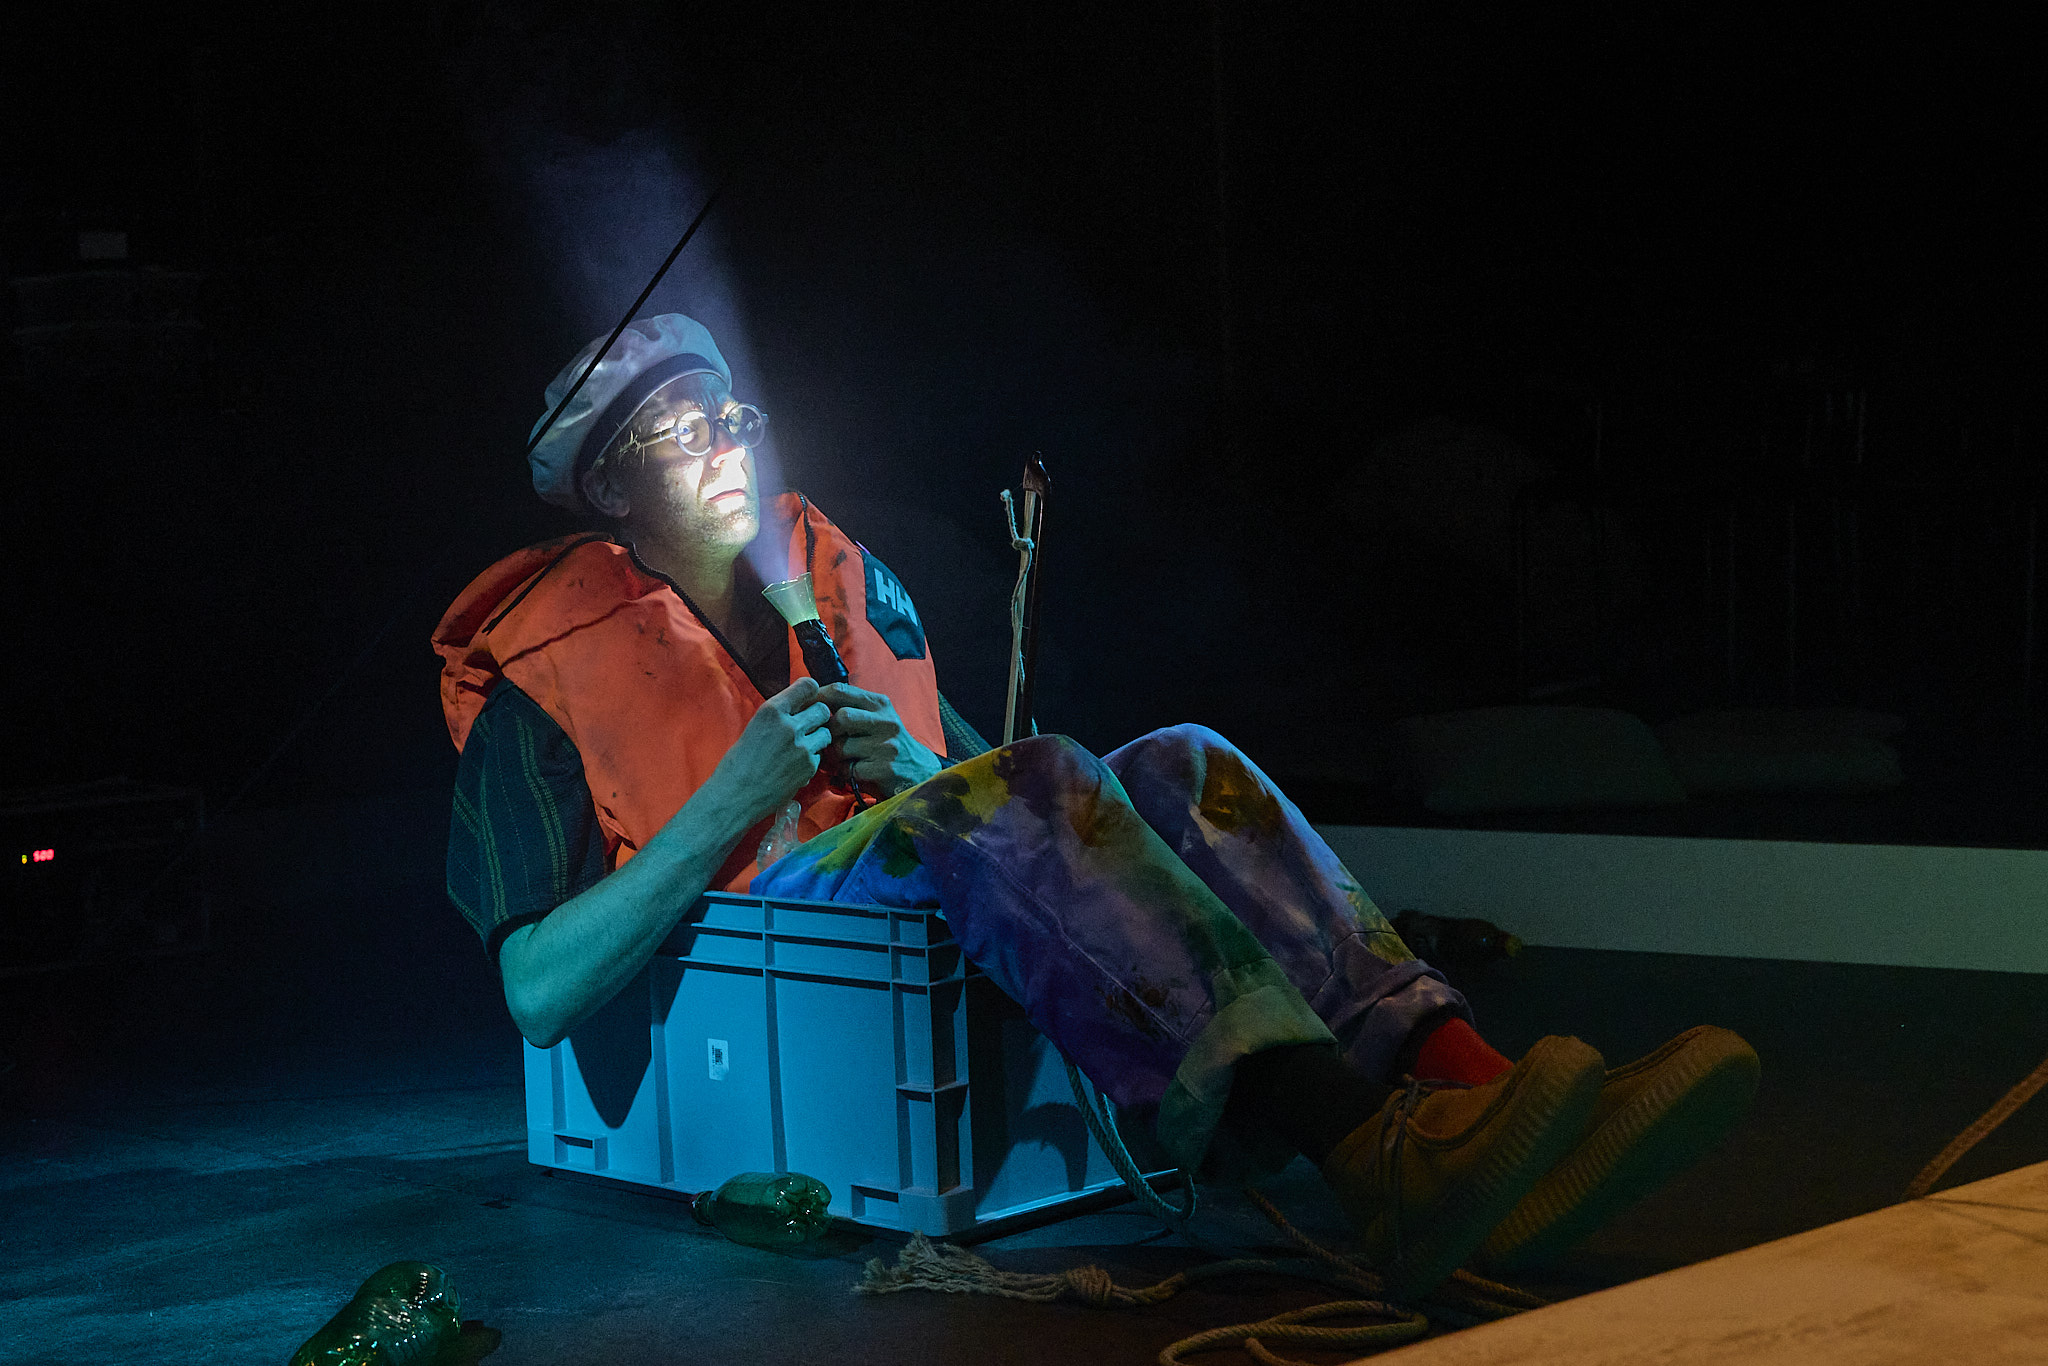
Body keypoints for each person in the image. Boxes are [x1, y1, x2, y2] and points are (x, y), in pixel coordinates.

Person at [433, 314, 1759, 1299]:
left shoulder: (827, 590)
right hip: (759, 968)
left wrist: (910, 766)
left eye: (729, 415)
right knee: (1033, 784)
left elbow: (1026, 796)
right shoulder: (541, 686)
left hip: (896, 934)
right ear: (610, 491)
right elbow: (537, 991)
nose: (722, 446)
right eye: (674, 432)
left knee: (1179, 761)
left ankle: (1473, 1090)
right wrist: (735, 795)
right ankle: (1371, 1152)